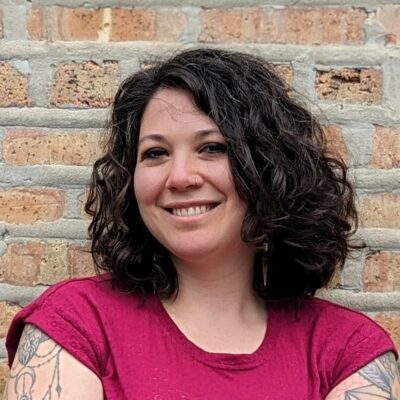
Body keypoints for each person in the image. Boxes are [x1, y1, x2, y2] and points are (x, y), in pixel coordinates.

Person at [4, 48, 399, 400]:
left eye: (212, 148)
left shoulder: (347, 352)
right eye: (155, 153)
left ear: (270, 168)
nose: (179, 177)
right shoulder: (76, 323)